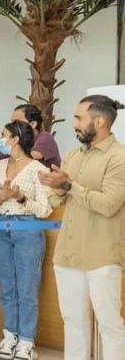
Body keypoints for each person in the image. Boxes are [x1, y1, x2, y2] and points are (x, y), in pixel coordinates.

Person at [38, 94, 125, 360]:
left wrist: (68, 185)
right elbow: (58, 199)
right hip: (67, 254)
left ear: (99, 121)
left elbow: (109, 204)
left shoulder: (119, 157)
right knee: (73, 322)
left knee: (109, 325)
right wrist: (55, 187)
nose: (74, 123)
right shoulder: (73, 156)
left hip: (102, 256)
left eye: (78, 118)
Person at [0, 120, 52, 360]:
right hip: (0, 227)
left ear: (15, 139)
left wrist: (20, 196)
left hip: (28, 230)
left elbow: (45, 210)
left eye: (4, 135)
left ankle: (26, 343)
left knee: (27, 290)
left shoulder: (37, 168)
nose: (1, 139)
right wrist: (1, 197)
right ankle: (9, 335)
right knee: (6, 288)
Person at [0, 104, 61, 169]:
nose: (13, 125)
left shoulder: (45, 138)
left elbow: (28, 159)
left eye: (16, 122)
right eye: (12, 122)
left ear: (33, 124)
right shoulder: (14, 138)